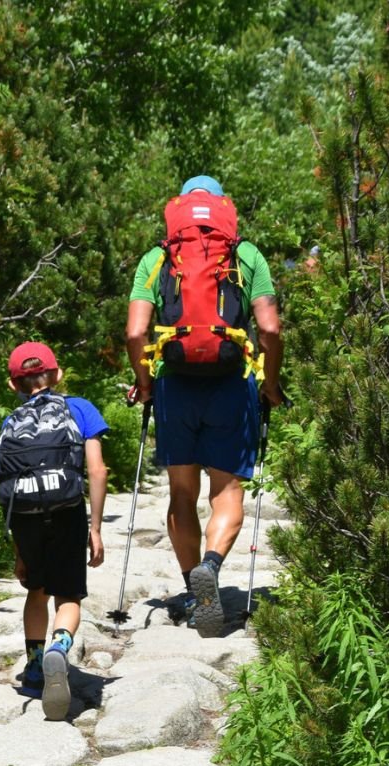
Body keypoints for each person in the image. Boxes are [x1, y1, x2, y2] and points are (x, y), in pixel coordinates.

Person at [125, 175, 283, 638]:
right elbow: (269, 329)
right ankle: (211, 568)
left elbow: (136, 334)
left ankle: (194, 594)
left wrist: (145, 383)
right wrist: (270, 384)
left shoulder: (158, 258)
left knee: (180, 495)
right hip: (231, 385)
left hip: (175, 387)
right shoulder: (245, 255)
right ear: (222, 209)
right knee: (227, 492)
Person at [0, 341, 108, 720]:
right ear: (57, 374)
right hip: (67, 511)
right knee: (68, 595)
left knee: (36, 591)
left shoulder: (11, 421)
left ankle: (36, 667)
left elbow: (6, 485)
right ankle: (59, 647)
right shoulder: (80, 409)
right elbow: (96, 470)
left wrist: (19, 554)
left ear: (14, 385)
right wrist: (95, 528)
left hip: (24, 517)